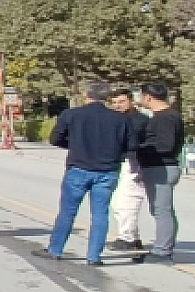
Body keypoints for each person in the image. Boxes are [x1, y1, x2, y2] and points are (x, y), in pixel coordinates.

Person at [35, 81, 138, 266]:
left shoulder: (72, 115)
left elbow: (55, 138)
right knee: (100, 213)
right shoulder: (121, 119)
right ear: (107, 97)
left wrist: (74, 145)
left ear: (86, 95)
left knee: (67, 212)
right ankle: (94, 256)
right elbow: (131, 146)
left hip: (78, 168)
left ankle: (55, 249)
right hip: (107, 170)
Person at [136, 81, 184, 263]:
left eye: (141, 96)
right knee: (162, 209)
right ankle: (164, 247)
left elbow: (165, 145)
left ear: (148, 97)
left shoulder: (165, 117)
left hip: (161, 167)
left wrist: (140, 149)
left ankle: (162, 251)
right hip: (158, 167)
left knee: (161, 210)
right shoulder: (165, 116)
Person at [106, 86, 148, 251]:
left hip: (133, 163)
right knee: (117, 203)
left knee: (126, 202)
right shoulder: (114, 119)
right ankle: (132, 237)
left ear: (131, 101)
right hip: (118, 163)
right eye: (114, 102)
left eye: (121, 101)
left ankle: (128, 239)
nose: (117, 105)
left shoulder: (140, 120)